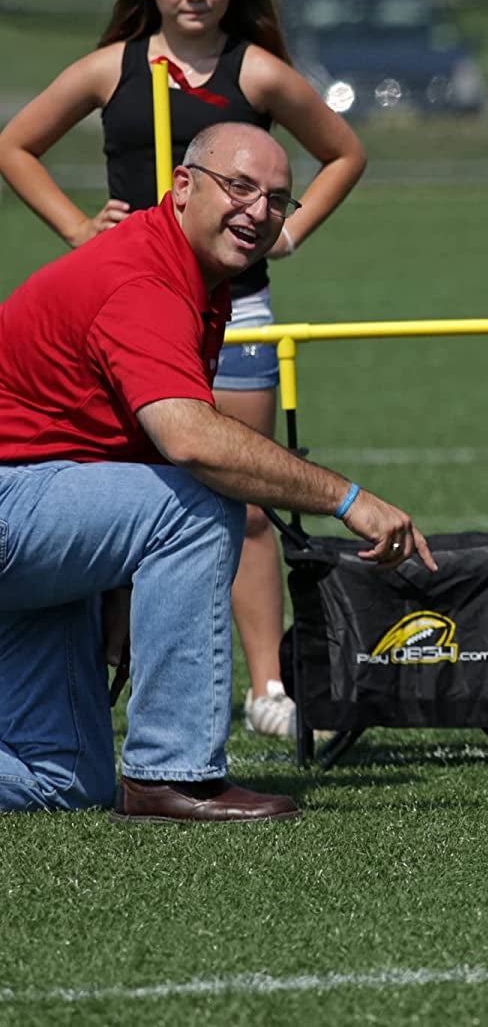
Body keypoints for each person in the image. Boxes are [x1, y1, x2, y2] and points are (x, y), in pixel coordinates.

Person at [0, 0, 366, 740]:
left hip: (231, 311)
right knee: (142, 482)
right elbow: (16, 144)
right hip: (133, 301)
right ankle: (116, 683)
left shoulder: (259, 71)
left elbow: (344, 151)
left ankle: (265, 685)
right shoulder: (112, 68)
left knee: (241, 494)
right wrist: (75, 230)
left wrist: (291, 228)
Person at [0, 122, 433, 822]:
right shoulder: (142, 277)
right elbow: (192, 442)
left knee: (64, 782)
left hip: (32, 509)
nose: (258, 211)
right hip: (13, 501)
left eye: (276, 199)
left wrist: (114, 584)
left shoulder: (193, 276)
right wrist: (346, 497)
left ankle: (153, 773)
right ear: (181, 188)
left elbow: (114, 444)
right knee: (197, 504)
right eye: (239, 186)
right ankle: (176, 772)